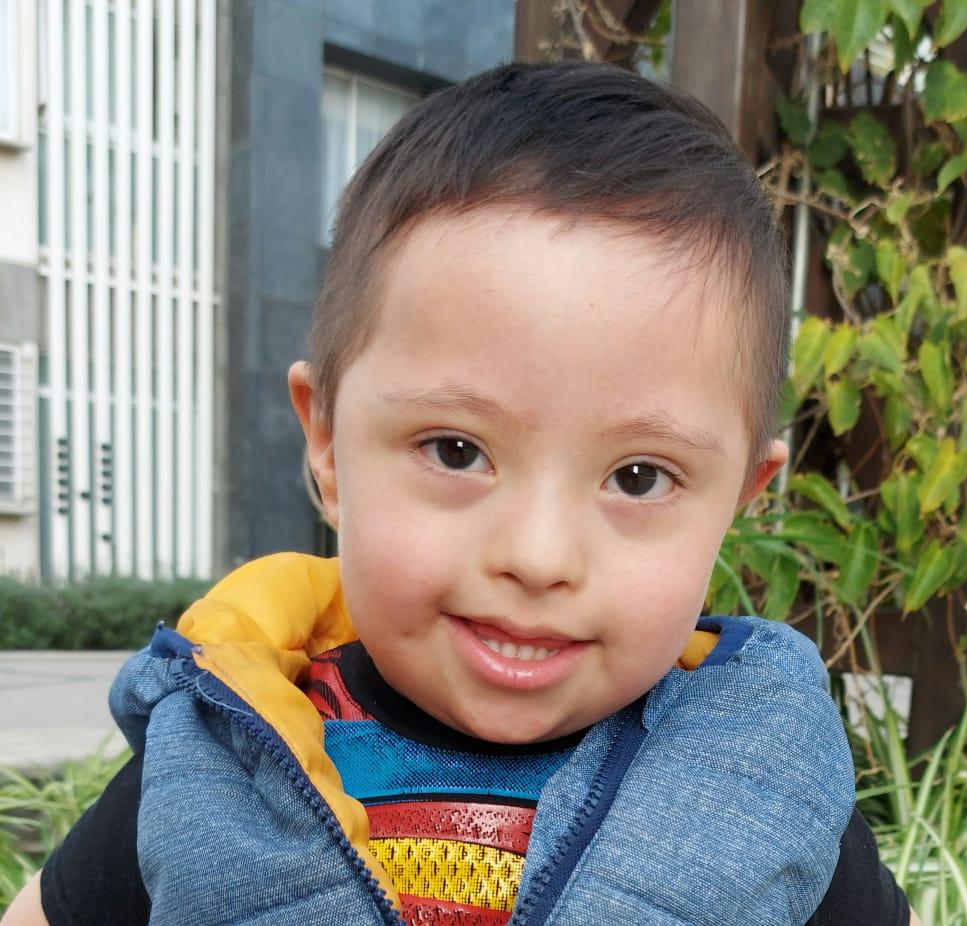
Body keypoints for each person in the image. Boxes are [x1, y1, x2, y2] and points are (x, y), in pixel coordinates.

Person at [3, 62, 915, 926]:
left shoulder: (767, 788)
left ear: (742, 498)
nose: (538, 555)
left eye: (639, 477)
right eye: (455, 449)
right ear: (326, 442)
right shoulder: (219, 759)